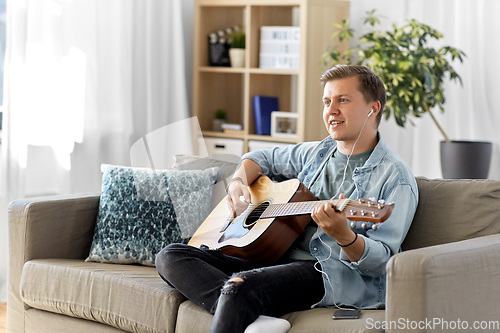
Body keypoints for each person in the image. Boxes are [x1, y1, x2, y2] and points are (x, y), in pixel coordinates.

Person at [155, 65, 419, 333]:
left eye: (343, 100)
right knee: (170, 256)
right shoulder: (319, 151)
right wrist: (237, 183)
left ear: (372, 109)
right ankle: (252, 314)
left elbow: (383, 263)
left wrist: (344, 236)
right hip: (274, 256)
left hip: (325, 271)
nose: (331, 110)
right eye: (327, 101)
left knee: (240, 287)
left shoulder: (395, 177)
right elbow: (259, 158)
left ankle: (242, 302)